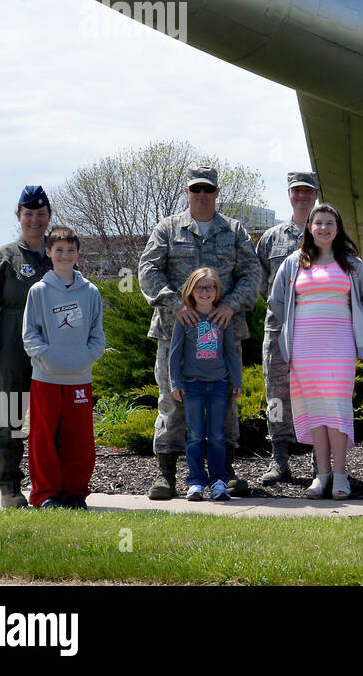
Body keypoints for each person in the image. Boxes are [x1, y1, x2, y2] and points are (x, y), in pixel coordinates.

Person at [139, 166, 261, 500]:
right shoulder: (167, 229)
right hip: (175, 332)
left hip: (223, 331)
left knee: (226, 404)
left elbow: (252, 273)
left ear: (217, 192)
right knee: (172, 399)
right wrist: (176, 303)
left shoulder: (234, 231)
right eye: (196, 189)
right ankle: (167, 476)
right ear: (187, 191)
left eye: (208, 188)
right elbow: (148, 269)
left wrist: (231, 304)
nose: (202, 194)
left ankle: (226, 473)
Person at [267, 204, 363, 500]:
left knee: (337, 410)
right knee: (316, 410)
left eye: (329, 223)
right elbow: (276, 300)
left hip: (340, 349)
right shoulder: (294, 263)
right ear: (309, 227)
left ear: (337, 228)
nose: (323, 228)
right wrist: (295, 322)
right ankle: (322, 475)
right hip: (304, 350)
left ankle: (341, 476)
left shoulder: (351, 264)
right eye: (318, 223)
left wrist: (352, 318)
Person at [0, 185, 54, 507]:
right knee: (8, 417)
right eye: (29, 214)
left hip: (52, 347)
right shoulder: (2, 258)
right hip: (9, 345)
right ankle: (9, 488)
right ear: (18, 216)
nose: (35, 220)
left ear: (49, 216)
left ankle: (50, 488)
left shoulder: (58, 252)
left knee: (51, 420)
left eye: (41, 214)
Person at [21, 226, 105, 510]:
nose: (65, 255)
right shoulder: (39, 292)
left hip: (80, 377)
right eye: (59, 250)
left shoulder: (90, 292)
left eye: (71, 250)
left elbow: (97, 334)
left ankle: (74, 493)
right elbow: (30, 334)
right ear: (49, 253)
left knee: (79, 439)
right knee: (43, 437)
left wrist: (88, 356)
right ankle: (46, 494)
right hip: (46, 377)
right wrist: (46, 356)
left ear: (78, 253)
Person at [256, 170, 319, 485]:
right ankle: (279, 460)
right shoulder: (272, 238)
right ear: (289, 195)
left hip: (315, 332)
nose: (302, 196)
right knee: (277, 396)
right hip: (278, 330)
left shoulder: (326, 234)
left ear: (316, 195)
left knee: (314, 395)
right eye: (297, 191)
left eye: (308, 191)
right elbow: (259, 281)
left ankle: (318, 461)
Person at [169, 268, 243, 501]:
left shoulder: (222, 318)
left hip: (219, 385)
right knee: (196, 436)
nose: (205, 292)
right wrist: (175, 383)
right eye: (200, 287)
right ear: (191, 290)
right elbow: (174, 353)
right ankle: (196, 482)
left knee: (217, 436)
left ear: (216, 291)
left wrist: (237, 380)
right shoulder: (185, 318)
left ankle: (219, 481)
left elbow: (231, 351)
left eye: (210, 287)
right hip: (192, 385)